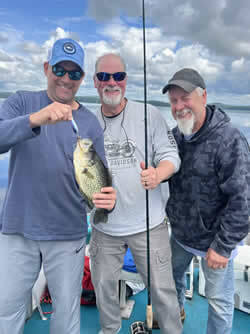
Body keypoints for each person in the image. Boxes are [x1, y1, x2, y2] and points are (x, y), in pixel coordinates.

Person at [0, 38, 116, 334]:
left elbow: (99, 175)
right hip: (17, 229)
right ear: (45, 68)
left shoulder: (89, 122)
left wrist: (106, 200)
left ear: (82, 78)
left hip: (68, 234)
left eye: (74, 73)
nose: (66, 78)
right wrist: (37, 119)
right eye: (59, 70)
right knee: (6, 309)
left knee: (66, 315)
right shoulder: (22, 102)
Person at [89, 53, 183, 334]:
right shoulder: (88, 122)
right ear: (95, 82)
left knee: (163, 292)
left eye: (118, 76)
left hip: (149, 224)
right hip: (104, 227)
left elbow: (171, 157)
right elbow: (79, 172)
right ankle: (110, 330)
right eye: (104, 77)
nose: (112, 83)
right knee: (103, 290)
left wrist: (158, 174)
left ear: (126, 80)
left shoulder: (149, 115)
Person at [162, 68, 250, 334]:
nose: (179, 106)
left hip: (214, 242)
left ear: (204, 96)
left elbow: (243, 201)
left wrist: (222, 248)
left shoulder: (229, 139)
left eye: (185, 98)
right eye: (174, 101)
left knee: (219, 303)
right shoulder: (175, 136)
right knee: (170, 279)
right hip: (180, 236)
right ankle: (176, 316)